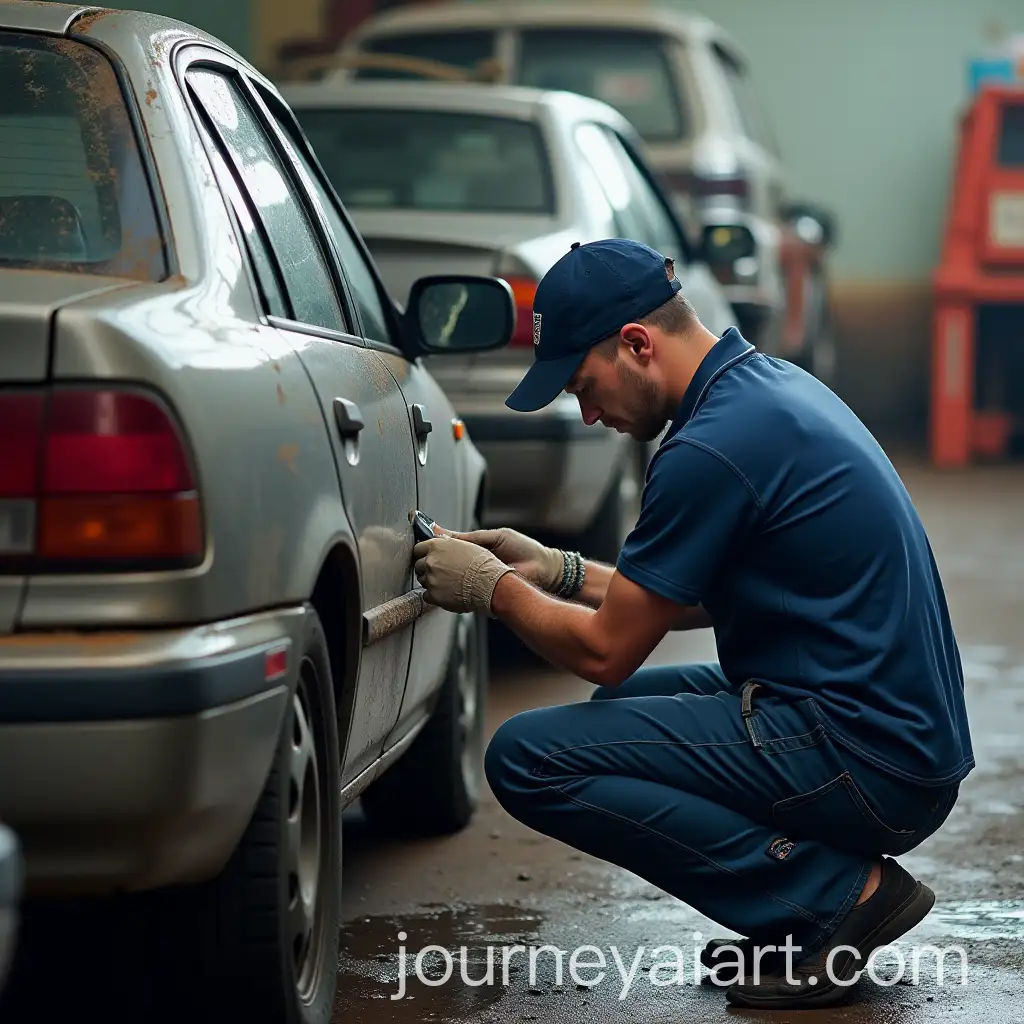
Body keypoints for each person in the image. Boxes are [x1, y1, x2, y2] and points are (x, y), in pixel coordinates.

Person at [412, 238, 972, 1010]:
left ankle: (834, 896)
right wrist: (556, 569)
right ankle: (801, 908)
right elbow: (688, 594)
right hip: (889, 736)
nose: (588, 412)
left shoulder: (711, 445)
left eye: (584, 384)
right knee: (618, 720)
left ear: (636, 343)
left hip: (868, 759)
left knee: (527, 758)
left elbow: (606, 651)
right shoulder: (763, 391)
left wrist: (495, 591)